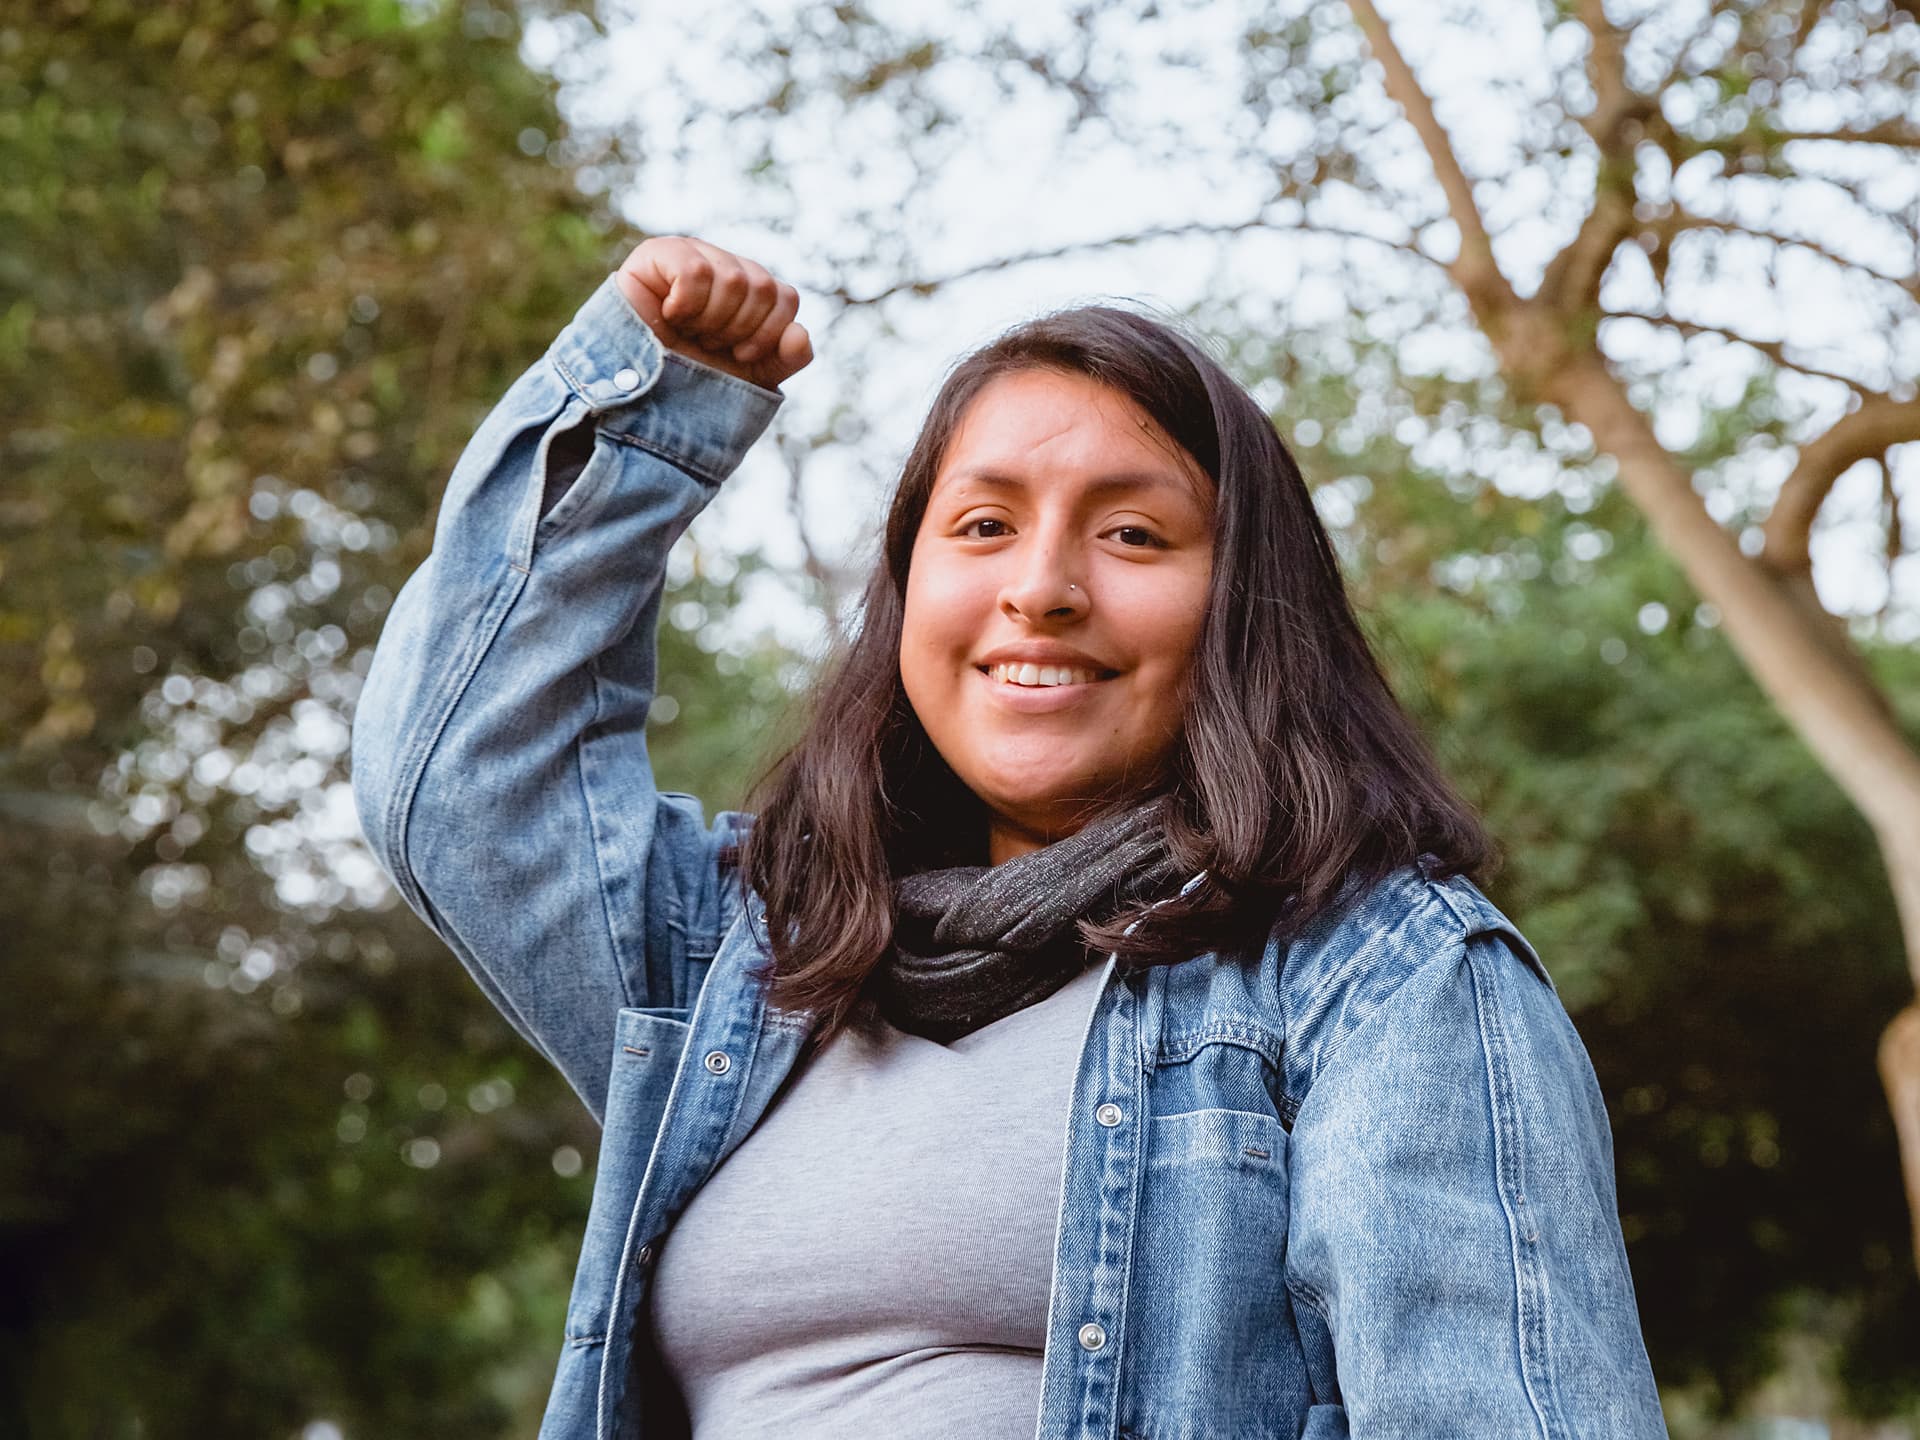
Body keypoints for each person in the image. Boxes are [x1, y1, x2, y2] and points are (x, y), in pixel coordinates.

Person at [350, 235, 1668, 1440]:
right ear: (908, 589)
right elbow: (464, 789)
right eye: (983, 526)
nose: (1041, 588)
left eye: (1133, 534)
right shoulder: (748, 969)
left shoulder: (1384, 982)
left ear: (1245, 610)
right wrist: (652, 414)